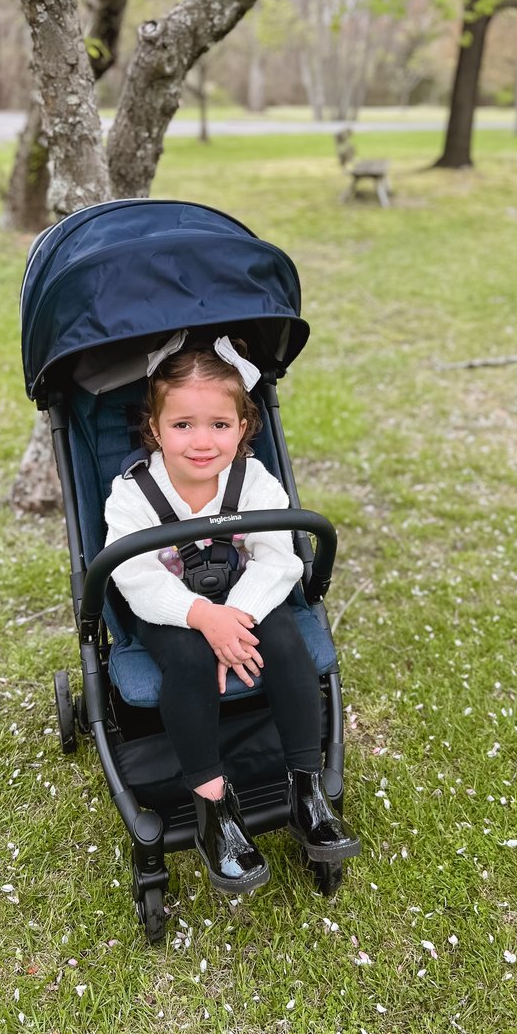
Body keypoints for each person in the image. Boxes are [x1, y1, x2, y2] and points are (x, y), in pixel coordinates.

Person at [104, 331, 360, 894]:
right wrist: (203, 617)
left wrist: (235, 616)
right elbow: (135, 576)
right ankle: (213, 809)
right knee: (191, 660)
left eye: (219, 425)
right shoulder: (133, 494)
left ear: (243, 429)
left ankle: (305, 788)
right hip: (171, 609)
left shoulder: (252, 482)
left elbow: (279, 557)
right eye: (182, 425)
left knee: (289, 639)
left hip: (248, 597)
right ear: (154, 429)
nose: (202, 441)